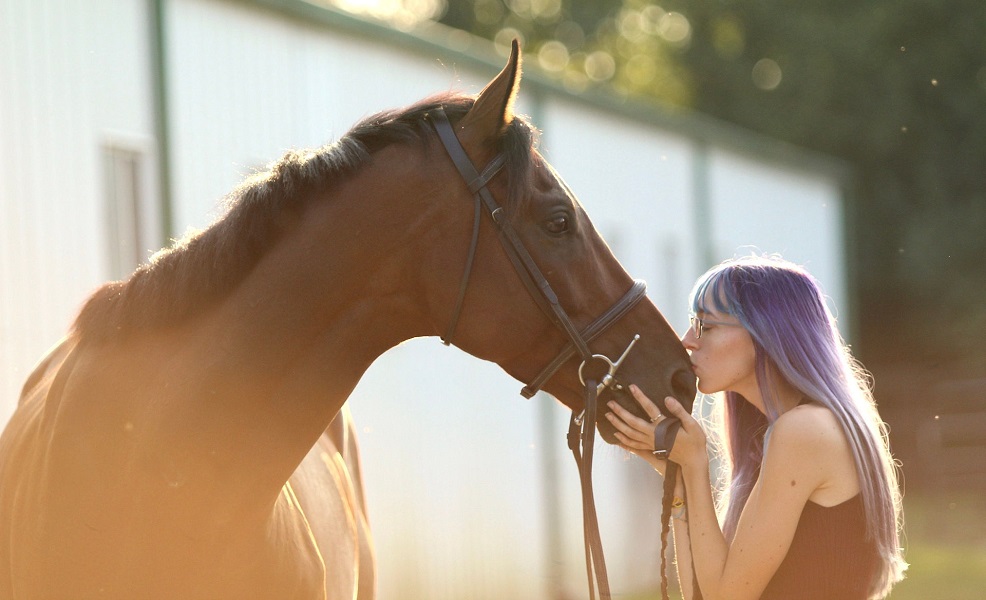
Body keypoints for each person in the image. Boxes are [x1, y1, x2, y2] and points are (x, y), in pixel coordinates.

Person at [605, 255, 906, 600]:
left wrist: (695, 463)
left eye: (706, 325)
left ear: (766, 332)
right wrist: (680, 481)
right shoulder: (790, 430)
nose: (687, 340)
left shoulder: (803, 431)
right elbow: (702, 594)